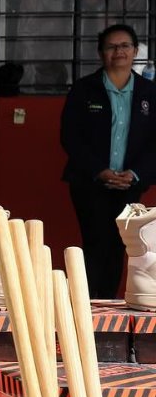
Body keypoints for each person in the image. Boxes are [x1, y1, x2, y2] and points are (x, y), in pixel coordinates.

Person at [60, 24, 156, 299]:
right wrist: (99, 171)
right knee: (94, 244)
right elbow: (70, 137)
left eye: (125, 46)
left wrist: (136, 174)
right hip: (90, 183)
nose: (119, 52)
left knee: (120, 248)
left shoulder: (150, 93)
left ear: (136, 51)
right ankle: (86, 305)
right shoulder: (84, 89)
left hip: (131, 186)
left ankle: (109, 306)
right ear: (101, 53)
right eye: (112, 46)